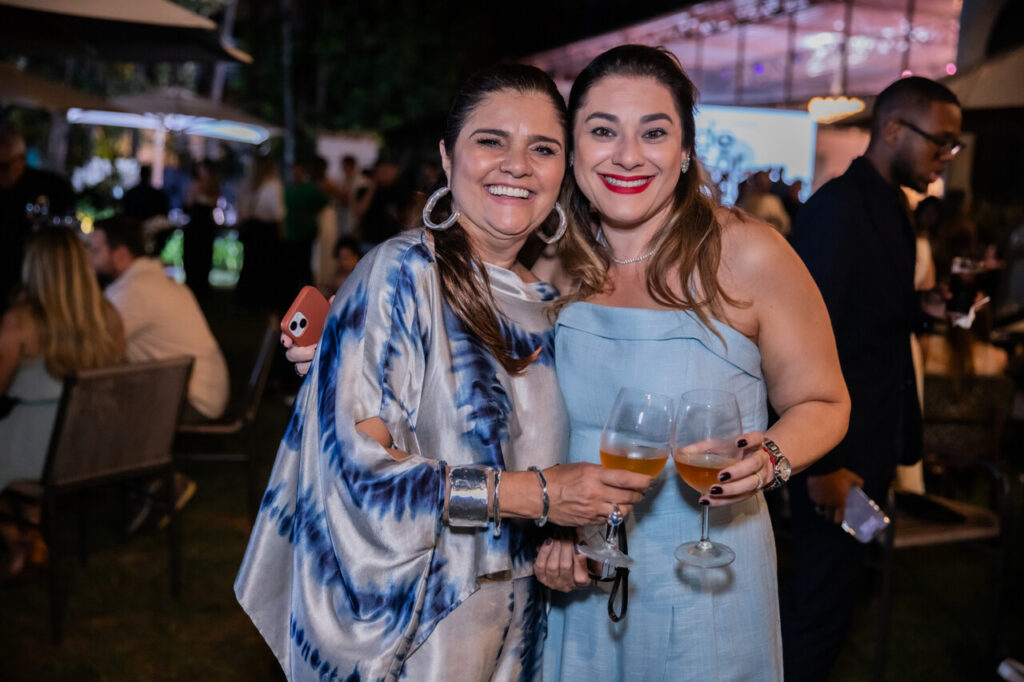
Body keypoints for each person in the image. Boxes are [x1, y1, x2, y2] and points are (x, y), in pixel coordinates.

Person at [236, 64, 652, 682]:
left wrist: (560, 538)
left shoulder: (547, 305)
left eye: (542, 148)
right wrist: (538, 495)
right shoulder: (401, 274)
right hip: (418, 633)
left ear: (563, 170)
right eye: (491, 141)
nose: (517, 165)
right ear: (446, 156)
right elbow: (359, 473)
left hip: (519, 633)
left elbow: (543, 464)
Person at [531, 45, 849, 682]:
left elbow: (824, 401)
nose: (627, 155)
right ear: (572, 149)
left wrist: (771, 457)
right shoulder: (551, 261)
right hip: (582, 571)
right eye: (603, 131)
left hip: (707, 569)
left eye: (653, 132)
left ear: (684, 150)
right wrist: (547, 522)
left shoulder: (748, 254)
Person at [785, 76, 963, 681]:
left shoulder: (892, 205)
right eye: (941, 141)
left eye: (954, 146)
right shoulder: (838, 208)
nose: (947, 156)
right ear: (892, 130)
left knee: (842, 603)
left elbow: (868, 315)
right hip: (836, 454)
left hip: (875, 442)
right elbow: (801, 340)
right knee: (816, 612)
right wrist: (822, 467)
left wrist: (925, 309)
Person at [90, 215, 231, 528]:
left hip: (193, 400)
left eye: (95, 251)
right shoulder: (156, 281)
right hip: (206, 391)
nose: (89, 258)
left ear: (121, 255)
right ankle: (146, 482)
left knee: (93, 403)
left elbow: (91, 352)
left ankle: (157, 483)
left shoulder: (131, 293)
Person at [0, 226, 124, 576]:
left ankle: (18, 540)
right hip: (90, 446)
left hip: (37, 454)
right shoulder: (108, 318)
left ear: (35, 268)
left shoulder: (18, 324)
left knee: (19, 435)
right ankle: (33, 540)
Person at [0, 129, 75, 313]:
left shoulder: (51, 187)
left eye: (5, 166)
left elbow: (65, 232)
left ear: (22, 159)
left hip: (40, 278)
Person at [236, 155, 285, 308]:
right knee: (265, 265)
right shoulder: (272, 185)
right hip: (266, 230)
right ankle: (261, 299)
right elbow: (277, 212)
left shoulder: (249, 184)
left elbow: (241, 208)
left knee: (251, 263)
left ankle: (248, 299)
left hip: (251, 228)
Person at [183, 160, 221, 299]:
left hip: (204, 228)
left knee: (203, 258)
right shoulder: (193, 186)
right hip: (195, 227)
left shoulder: (213, 187)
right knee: (193, 258)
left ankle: (201, 288)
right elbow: (187, 204)